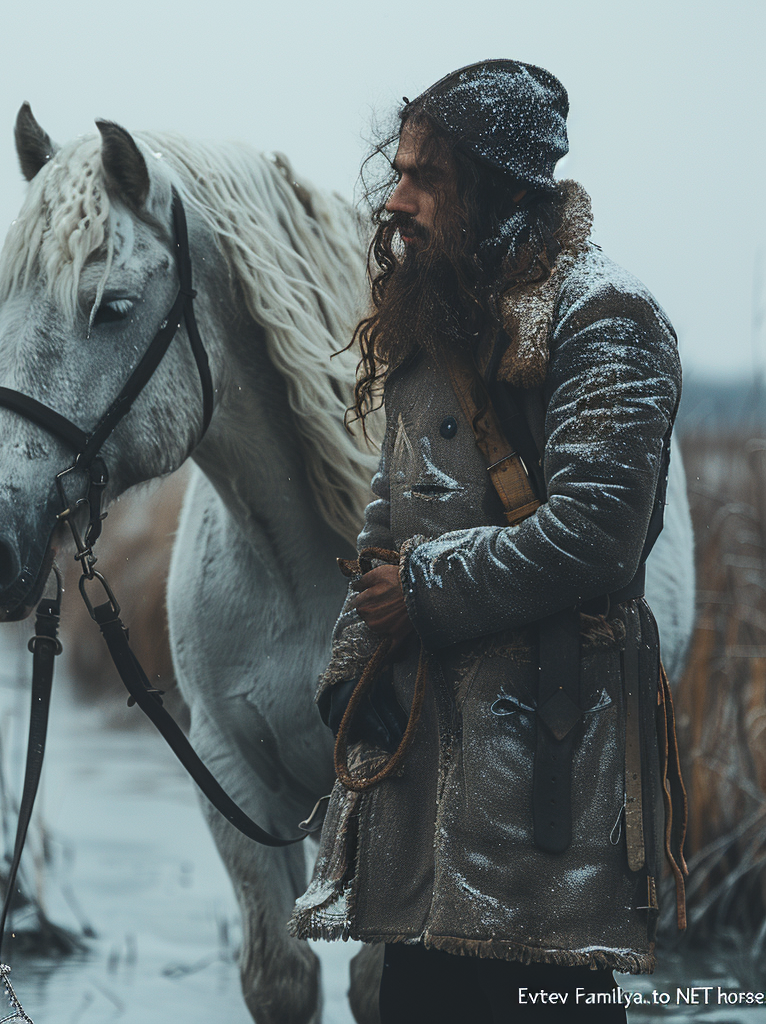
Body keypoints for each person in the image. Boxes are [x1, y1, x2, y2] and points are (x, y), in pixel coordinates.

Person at [289, 60, 687, 1023]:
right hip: (427, 799)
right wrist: (351, 678)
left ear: (503, 186)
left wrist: (423, 593)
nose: (397, 198)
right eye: (399, 170)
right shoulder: (437, 315)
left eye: (426, 176)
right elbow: (386, 524)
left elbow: (598, 535)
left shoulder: (611, 319)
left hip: (552, 787)